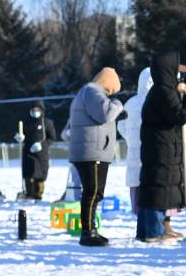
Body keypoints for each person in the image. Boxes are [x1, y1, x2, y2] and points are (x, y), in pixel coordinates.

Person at [137, 50, 186, 242]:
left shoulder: (160, 89)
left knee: (153, 186)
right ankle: (154, 232)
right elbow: (180, 116)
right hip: (162, 149)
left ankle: (148, 230)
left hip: (160, 147)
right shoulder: (163, 91)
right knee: (159, 187)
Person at [67, 68, 124, 246]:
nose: (112, 94)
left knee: (94, 192)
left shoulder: (88, 92)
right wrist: (118, 104)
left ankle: (91, 230)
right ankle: (88, 233)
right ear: (107, 82)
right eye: (112, 90)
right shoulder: (92, 91)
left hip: (93, 150)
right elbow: (105, 114)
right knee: (92, 192)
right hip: (91, 151)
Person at [117, 67, 152, 214]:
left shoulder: (130, 103)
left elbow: (120, 125)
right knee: (150, 184)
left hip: (133, 153)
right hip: (151, 151)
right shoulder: (155, 101)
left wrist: (131, 139)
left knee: (135, 184)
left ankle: (136, 210)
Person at [15, 101, 56, 200]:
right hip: (28, 152)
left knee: (40, 175)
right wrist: (19, 137)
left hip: (41, 154)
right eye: (33, 110)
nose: (35, 112)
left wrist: (42, 145)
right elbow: (20, 134)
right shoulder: (26, 122)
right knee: (28, 174)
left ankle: (38, 195)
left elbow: (52, 138)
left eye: (37, 110)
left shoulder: (47, 123)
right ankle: (29, 194)